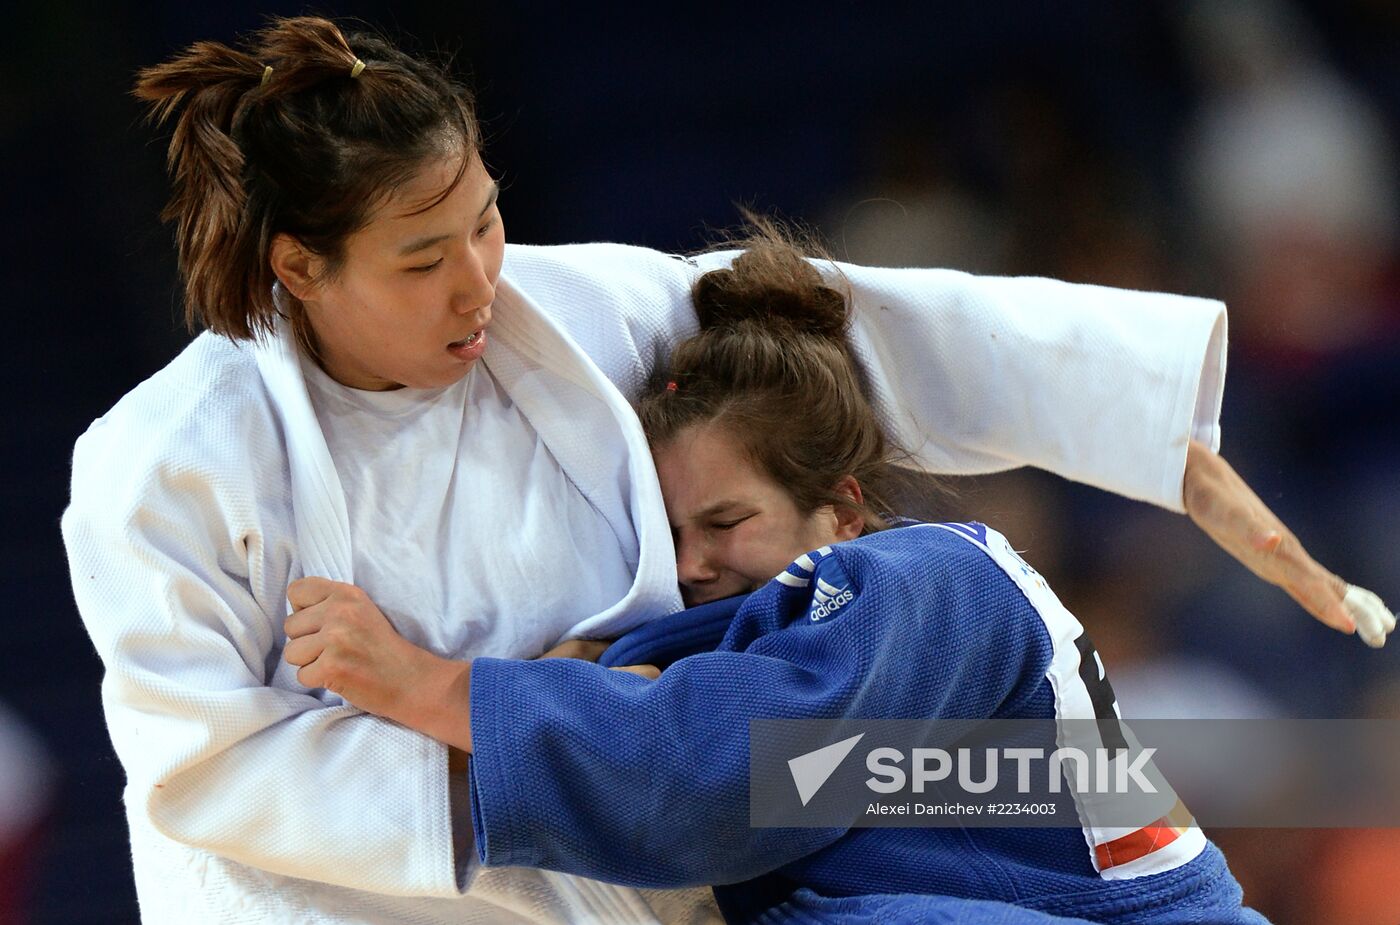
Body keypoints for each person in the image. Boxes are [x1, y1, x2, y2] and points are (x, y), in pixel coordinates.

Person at [62, 15, 1388, 925]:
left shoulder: (594, 334)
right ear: (300, 268)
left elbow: (847, 327)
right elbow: (202, 772)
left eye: (488, 220)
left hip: (669, 844)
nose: (480, 279)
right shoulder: (165, 471)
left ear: (843, 507)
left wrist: (1163, 439)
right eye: (422, 258)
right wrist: (542, 751)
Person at [290, 228, 1351, 923]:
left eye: (726, 520)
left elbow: (733, 771)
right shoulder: (790, 643)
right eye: (669, 533)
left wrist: (429, 686)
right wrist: (600, 678)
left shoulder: (934, 579)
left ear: (839, 507)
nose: (693, 561)